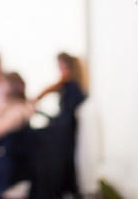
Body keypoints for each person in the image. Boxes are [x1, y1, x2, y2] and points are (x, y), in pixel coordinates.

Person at [32, 52, 87, 198]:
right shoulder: (71, 86)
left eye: (61, 67)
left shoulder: (71, 86)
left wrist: (35, 100)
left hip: (63, 133)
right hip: (62, 129)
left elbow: (49, 91)